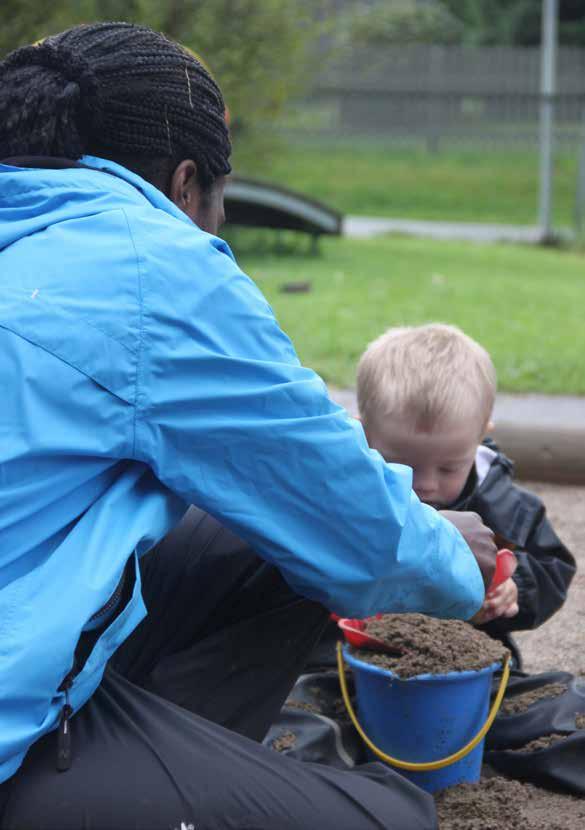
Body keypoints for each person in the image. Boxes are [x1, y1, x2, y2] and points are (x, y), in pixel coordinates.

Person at [0, 24, 497, 829]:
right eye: (219, 208)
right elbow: (355, 525)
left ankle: (162, 772)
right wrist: (452, 553)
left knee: (253, 540)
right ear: (184, 182)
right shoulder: (151, 264)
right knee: (392, 817)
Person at [355, 323, 575, 656]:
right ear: (365, 435)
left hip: (469, 660)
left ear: (480, 436)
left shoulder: (504, 507)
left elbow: (552, 567)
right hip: (361, 653)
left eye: (449, 467)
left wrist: (518, 588)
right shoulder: (355, 496)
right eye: (403, 464)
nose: (427, 484)